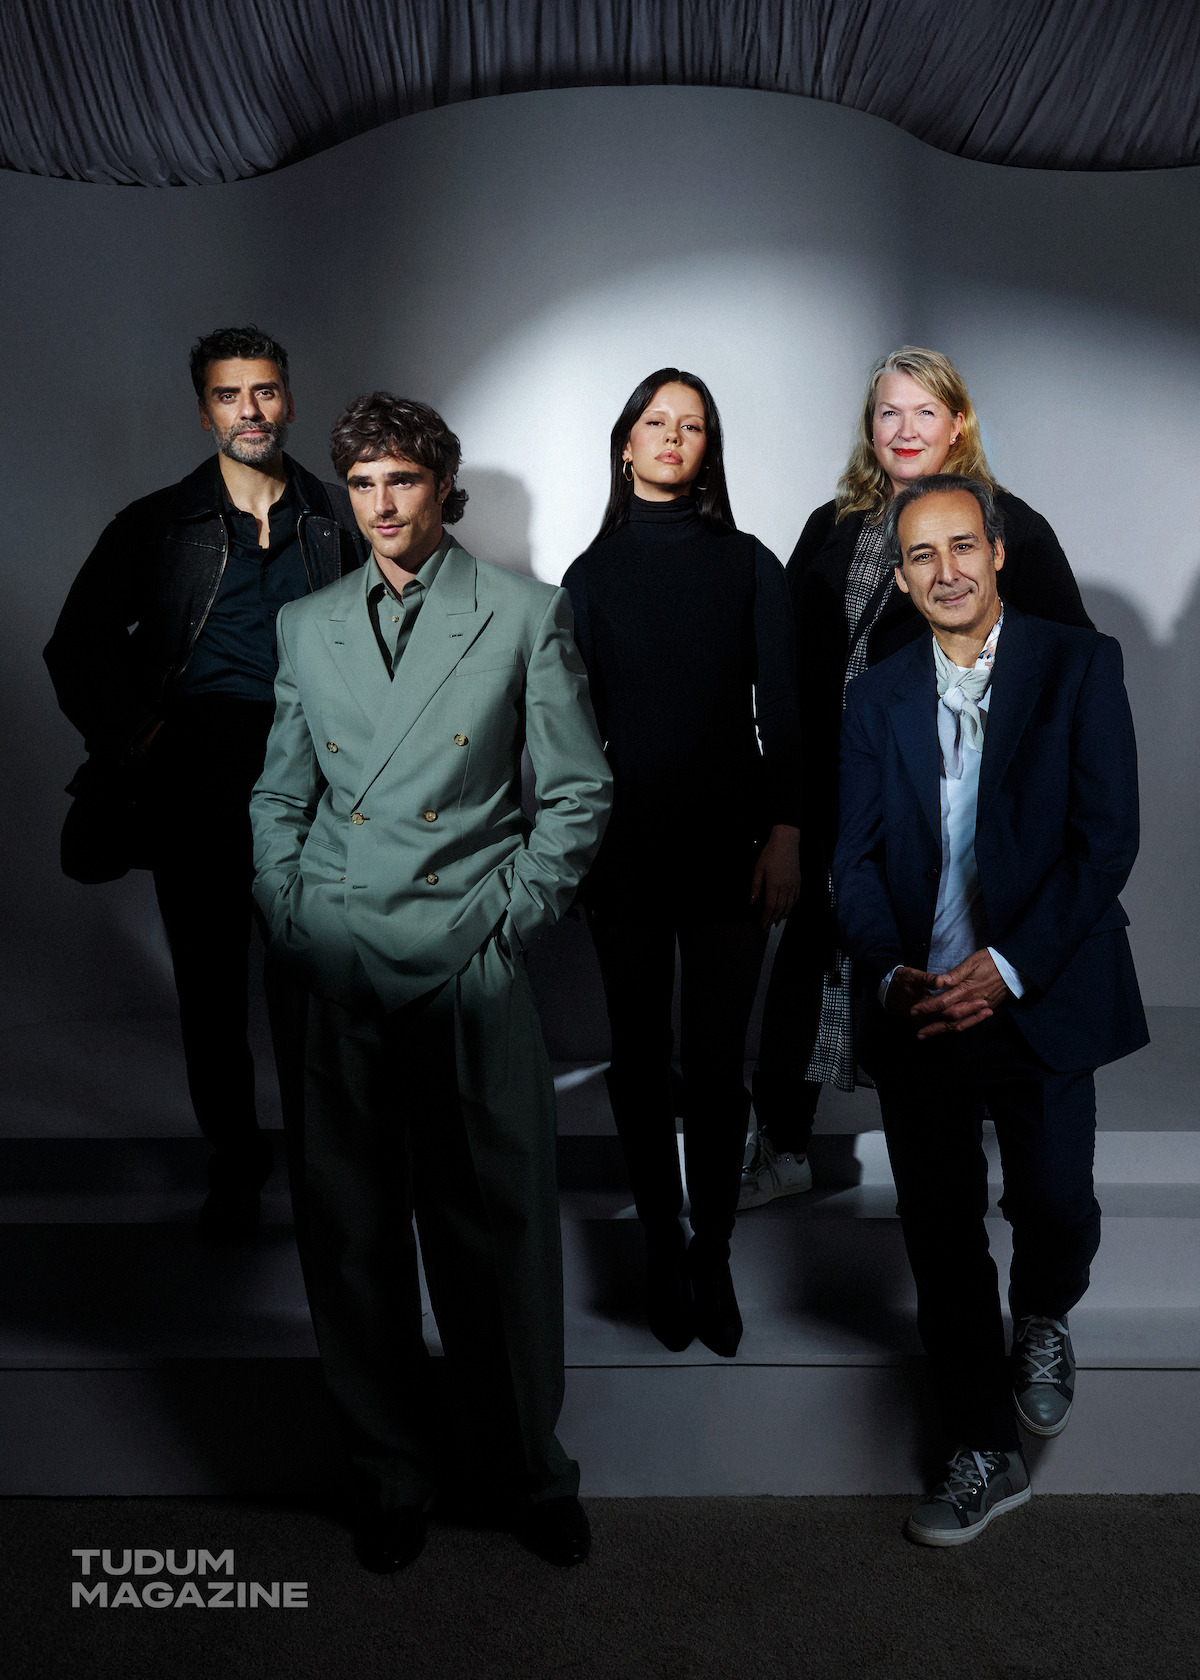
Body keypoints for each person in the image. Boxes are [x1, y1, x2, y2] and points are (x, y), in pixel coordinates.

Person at [250, 392, 612, 1573]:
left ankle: (528, 1473)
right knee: (351, 1237)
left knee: (496, 1235)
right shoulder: (306, 625)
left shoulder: (523, 614)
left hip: (465, 960)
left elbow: (577, 794)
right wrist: (294, 912)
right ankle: (391, 1474)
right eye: (362, 485)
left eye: (402, 480)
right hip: (338, 958)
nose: (381, 505)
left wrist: (506, 922)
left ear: (443, 488)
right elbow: (280, 794)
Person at [833, 473, 1146, 1544]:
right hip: (922, 1004)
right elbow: (855, 860)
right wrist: (889, 971)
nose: (947, 570)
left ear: (998, 551)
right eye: (922, 555)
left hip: (1038, 987)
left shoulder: (1079, 665)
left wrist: (1007, 965)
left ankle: (1045, 1311)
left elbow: (1106, 840)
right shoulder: (876, 695)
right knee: (941, 1235)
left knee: (1054, 1202)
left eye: (963, 546)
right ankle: (980, 1449)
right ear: (902, 577)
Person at [745, 347, 1094, 1210]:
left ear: (958, 422)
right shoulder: (834, 525)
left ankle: (970, 1135)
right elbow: (784, 672)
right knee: (811, 961)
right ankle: (783, 1144)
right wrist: (784, 811)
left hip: (942, 799)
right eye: (888, 413)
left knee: (936, 956)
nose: (905, 430)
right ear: (870, 428)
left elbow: (1067, 667)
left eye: (924, 412)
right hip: (833, 788)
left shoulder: (1008, 526)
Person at [44, 326, 364, 1234]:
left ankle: (330, 1173)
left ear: (288, 400)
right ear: (204, 412)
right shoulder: (156, 524)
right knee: (211, 996)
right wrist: (145, 739)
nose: (249, 411)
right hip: (196, 782)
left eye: (264, 391)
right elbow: (75, 647)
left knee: (320, 994)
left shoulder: (335, 518)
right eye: (229, 395)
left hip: (310, 781)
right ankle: (236, 1166)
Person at [563, 369, 802, 1359]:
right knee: (637, 1055)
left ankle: (713, 1250)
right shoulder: (588, 575)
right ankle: (660, 1242)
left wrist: (787, 832)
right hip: (622, 846)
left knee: (714, 1060)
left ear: (709, 449)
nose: (672, 436)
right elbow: (566, 730)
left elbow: (784, 712)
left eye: (691, 425)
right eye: (656, 422)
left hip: (730, 848)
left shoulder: (750, 564)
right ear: (626, 443)